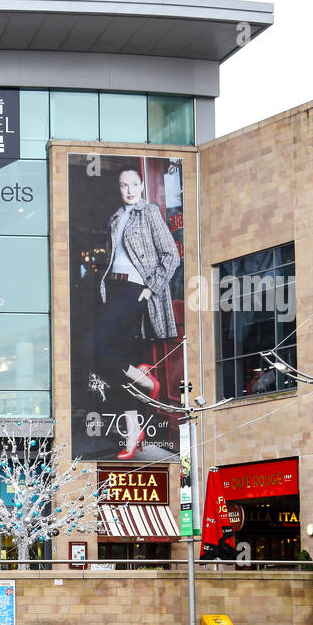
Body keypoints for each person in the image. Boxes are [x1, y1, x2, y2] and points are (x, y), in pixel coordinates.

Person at [94, 165, 182, 459]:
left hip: (135, 290)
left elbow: (171, 255)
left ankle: (147, 381)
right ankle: (133, 432)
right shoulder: (114, 218)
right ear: (118, 188)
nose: (129, 190)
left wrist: (150, 288)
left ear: (142, 186)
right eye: (124, 185)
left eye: (134, 184)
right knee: (118, 361)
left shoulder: (150, 213)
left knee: (97, 348)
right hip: (113, 289)